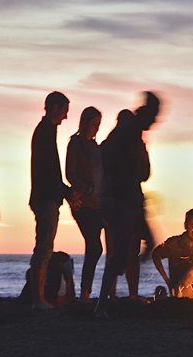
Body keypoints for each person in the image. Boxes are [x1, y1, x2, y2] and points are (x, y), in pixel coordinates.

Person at [96, 92, 161, 317]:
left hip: (129, 200)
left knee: (145, 244)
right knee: (120, 254)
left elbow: (143, 172)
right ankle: (102, 304)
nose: (155, 122)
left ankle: (120, 281)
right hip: (122, 202)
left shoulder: (130, 134)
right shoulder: (129, 132)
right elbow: (141, 171)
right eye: (154, 117)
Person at [28, 91, 82, 309]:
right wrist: (66, 192)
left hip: (46, 195)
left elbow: (51, 173)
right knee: (44, 247)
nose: (66, 117)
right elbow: (49, 172)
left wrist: (65, 193)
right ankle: (38, 300)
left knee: (44, 246)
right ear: (55, 108)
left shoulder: (46, 132)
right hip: (45, 197)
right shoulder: (44, 133)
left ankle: (38, 298)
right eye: (65, 112)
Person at [66, 107, 105, 303]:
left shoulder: (97, 149)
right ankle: (85, 293)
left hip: (99, 204)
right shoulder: (75, 144)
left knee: (96, 246)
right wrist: (86, 188)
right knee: (95, 246)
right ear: (84, 123)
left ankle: (91, 293)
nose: (96, 129)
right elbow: (69, 173)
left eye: (98, 125)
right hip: (83, 203)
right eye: (93, 124)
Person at [151, 209, 193, 300]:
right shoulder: (174, 243)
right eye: (192, 226)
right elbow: (155, 255)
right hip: (182, 292)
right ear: (185, 225)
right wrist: (168, 281)